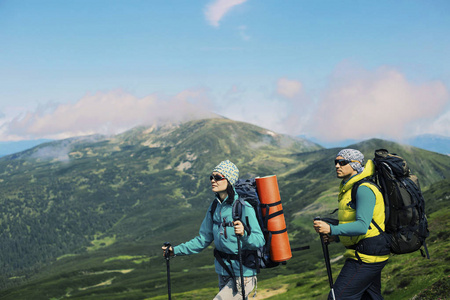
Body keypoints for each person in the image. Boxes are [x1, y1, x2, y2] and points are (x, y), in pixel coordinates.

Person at [162, 160, 265, 299]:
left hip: (243, 274)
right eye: (211, 177)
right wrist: (174, 250)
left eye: (218, 177)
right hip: (223, 271)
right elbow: (203, 239)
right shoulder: (215, 207)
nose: (213, 180)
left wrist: (244, 234)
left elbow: (259, 241)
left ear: (229, 180)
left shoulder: (244, 207)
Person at [313, 149, 390, 300]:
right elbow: (365, 226)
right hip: (368, 251)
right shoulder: (350, 187)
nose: (337, 166)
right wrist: (337, 238)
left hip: (367, 256)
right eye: (336, 162)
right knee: (369, 297)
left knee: (338, 297)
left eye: (342, 162)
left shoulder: (364, 189)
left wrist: (332, 229)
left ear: (355, 165)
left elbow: (362, 226)